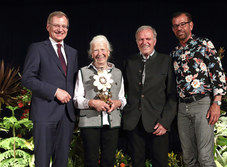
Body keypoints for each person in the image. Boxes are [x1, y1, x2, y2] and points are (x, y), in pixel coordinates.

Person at [21, 11, 78, 167]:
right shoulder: (37, 48)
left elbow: (73, 82)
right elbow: (27, 79)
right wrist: (55, 91)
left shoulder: (73, 53)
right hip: (44, 114)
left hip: (66, 115)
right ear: (48, 27)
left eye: (64, 26)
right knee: (43, 161)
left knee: (61, 161)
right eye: (56, 26)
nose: (60, 29)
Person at [170, 12, 227, 167]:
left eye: (182, 24)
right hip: (182, 108)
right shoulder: (174, 52)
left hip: (203, 104)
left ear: (191, 25)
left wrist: (217, 103)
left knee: (205, 158)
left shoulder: (204, 44)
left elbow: (217, 74)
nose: (179, 28)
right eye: (175, 25)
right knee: (188, 158)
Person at [122, 25, 177, 167]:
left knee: (160, 163)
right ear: (136, 42)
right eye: (140, 39)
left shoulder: (166, 61)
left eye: (148, 38)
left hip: (158, 123)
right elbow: (123, 91)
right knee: (136, 162)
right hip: (134, 122)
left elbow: (172, 95)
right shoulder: (129, 61)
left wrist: (165, 122)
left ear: (155, 41)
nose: (144, 42)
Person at [73, 35, 127, 167]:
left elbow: (123, 98)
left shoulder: (118, 73)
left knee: (109, 161)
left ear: (108, 52)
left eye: (103, 50)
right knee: (91, 160)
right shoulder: (83, 72)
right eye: (96, 50)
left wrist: (117, 103)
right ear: (91, 54)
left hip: (112, 123)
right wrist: (91, 103)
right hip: (89, 123)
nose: (100, 53)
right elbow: (76, 99)